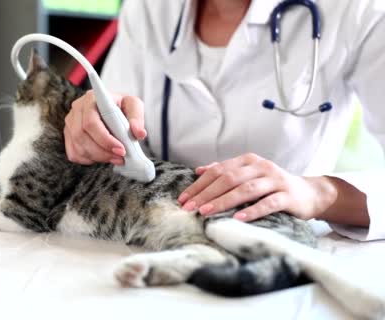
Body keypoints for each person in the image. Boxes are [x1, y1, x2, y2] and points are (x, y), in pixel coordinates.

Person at [63, 0, 385, 241]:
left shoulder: (357, 9)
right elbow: (114, 133)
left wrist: (319, 193)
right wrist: (94, 131)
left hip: (283, 248)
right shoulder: (149, 7)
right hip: (160, 239)